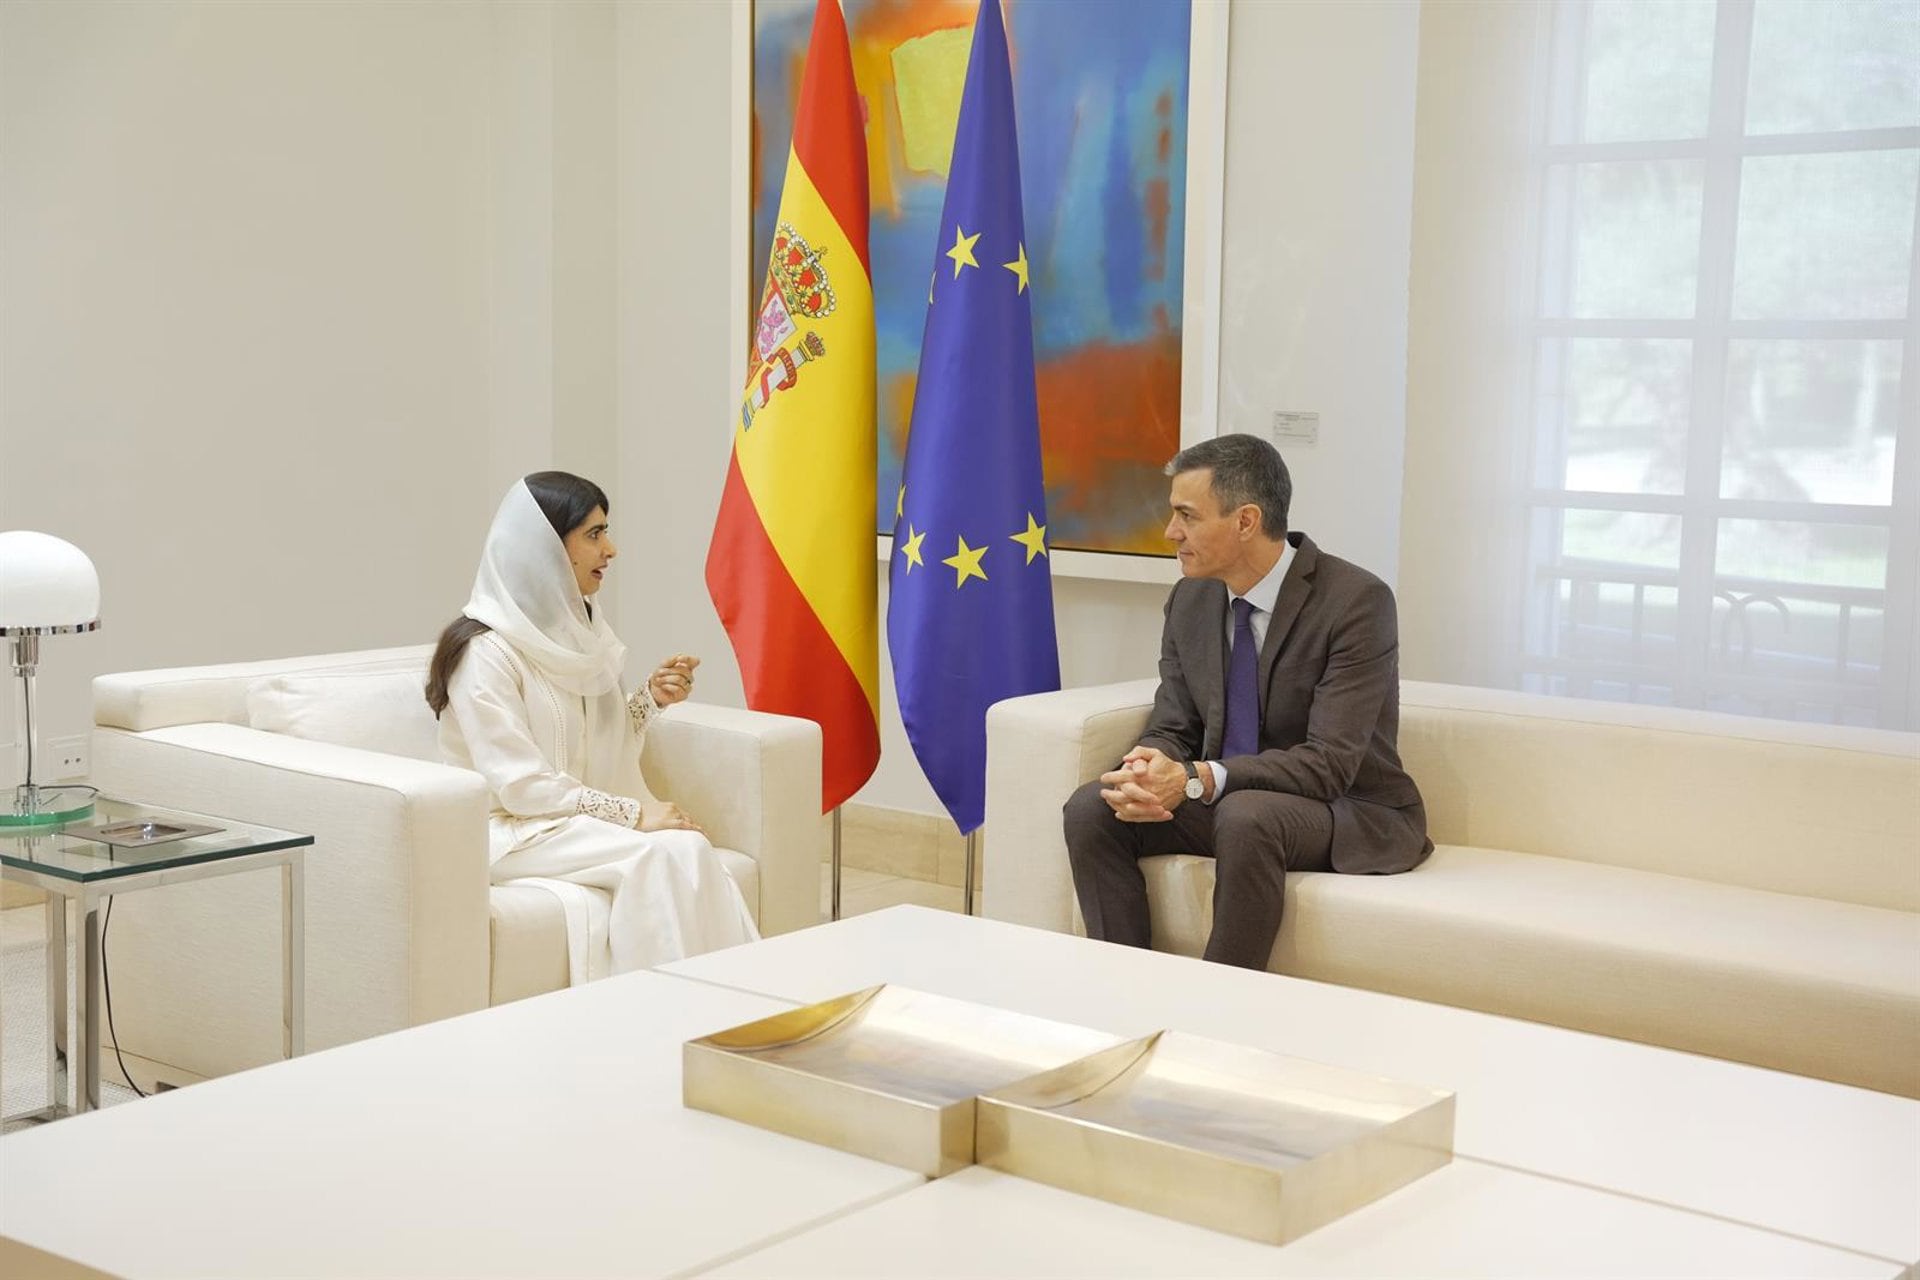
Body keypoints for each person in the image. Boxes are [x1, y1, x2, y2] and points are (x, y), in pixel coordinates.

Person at [1063, 434, 1431, 970]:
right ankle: (1124, 987)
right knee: (1092, 808)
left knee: (1245, 815)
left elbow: (1330, 764)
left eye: (1187, 516)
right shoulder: (1191, 597)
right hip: (1232, 800)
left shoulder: (1355, 602)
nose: (1171, 533)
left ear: (1245, 521)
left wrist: (1197, 778)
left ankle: (1218, 1013)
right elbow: (1175, 721)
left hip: (1345, 807)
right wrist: (1147, 766)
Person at [426, 471, 758, 985]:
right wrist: (633, 814)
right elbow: (521, 784)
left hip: (559, 821)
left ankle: (732, 1004)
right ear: (546, 548)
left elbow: (587, 745)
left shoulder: (578, 635)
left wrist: (650, 699)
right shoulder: (484, 653)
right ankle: (653, 1017)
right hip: (506, 831)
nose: (612, 549)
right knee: (653, 854)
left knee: (689, 847)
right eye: (594, 534)